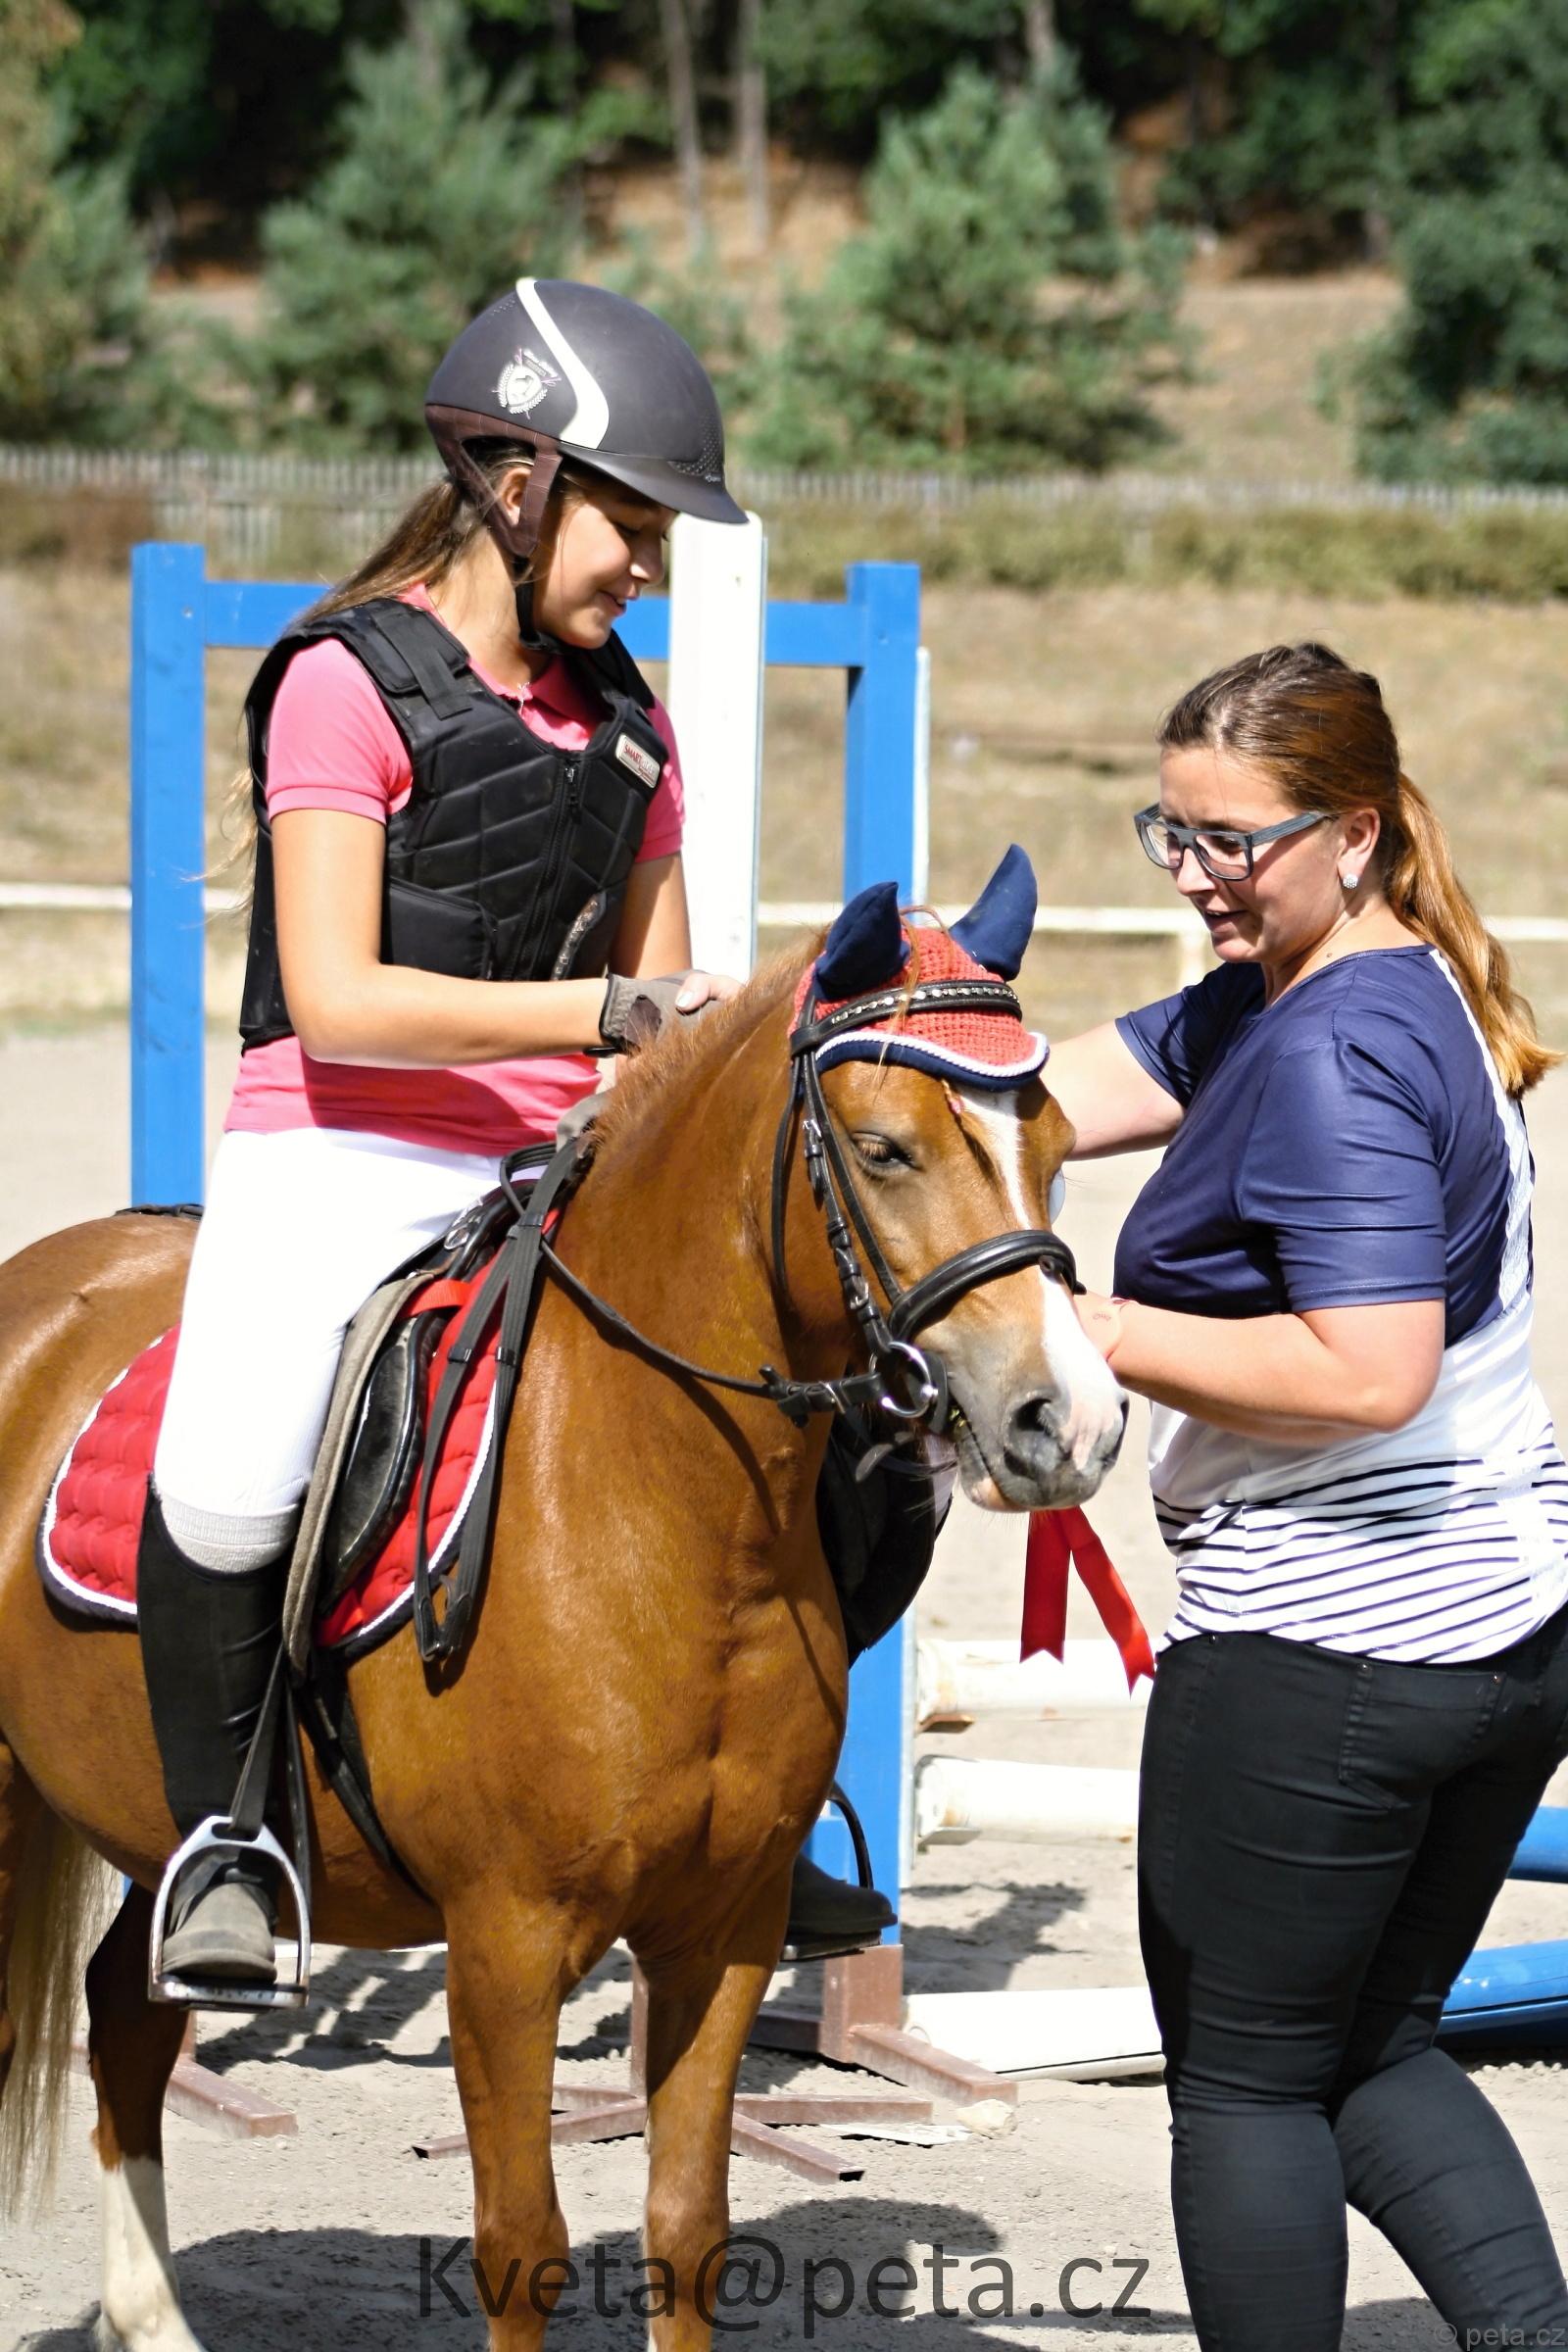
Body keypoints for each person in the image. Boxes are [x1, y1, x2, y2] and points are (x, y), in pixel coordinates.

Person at [137, 279, 888, 1992]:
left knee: (835, 1424)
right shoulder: (340, 683)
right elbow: (340, 998)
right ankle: (225, 1841)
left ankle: (761, 1801)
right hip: (340, 1148)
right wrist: (603, 1017)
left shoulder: (631, 723)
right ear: (517, 484)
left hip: (554, 1160)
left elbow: (667, 1010)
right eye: (633, 530)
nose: (648, 572)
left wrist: (690, 1052)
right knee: (236, 1467)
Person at [1045, 641, 1568, 2351]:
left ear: (1351, 832)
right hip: (1503, 1634)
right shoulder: (1347, 980)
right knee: (1373, 2047)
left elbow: (1368, 1370)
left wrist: (1092, 1332)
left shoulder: (1331, 1055)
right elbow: (1047, 1096)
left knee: (1245, 2087)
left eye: (1230, 842)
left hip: (1330, 1653)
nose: (1193, 874)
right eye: (1171, 832)